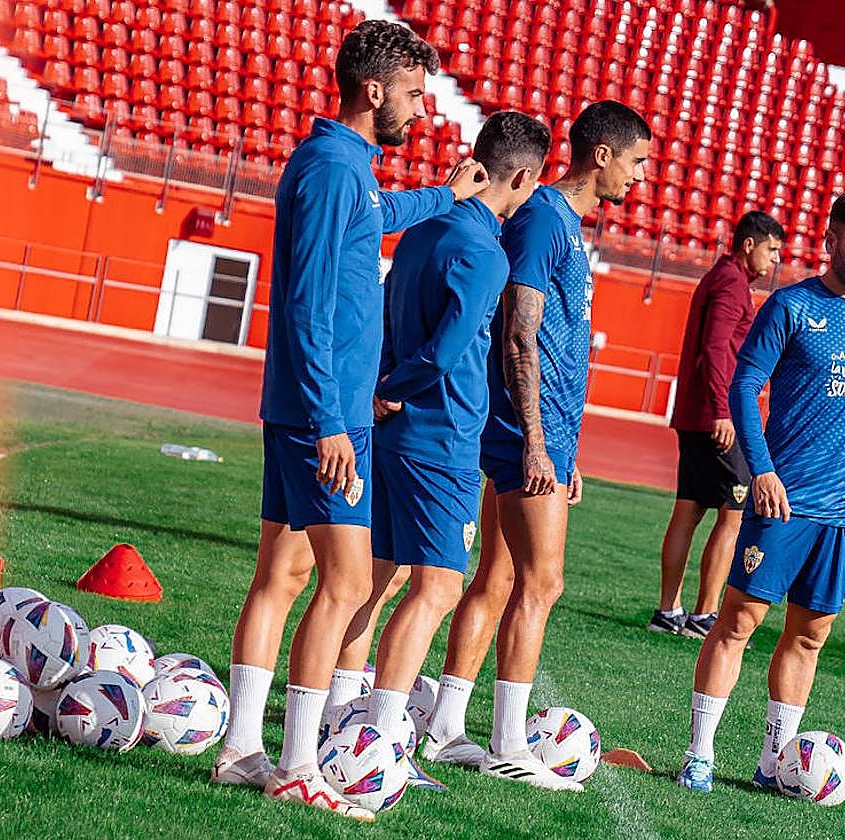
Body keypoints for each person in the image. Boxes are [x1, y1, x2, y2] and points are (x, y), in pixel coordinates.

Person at [210, 20, 488, 823]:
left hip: (313, 407)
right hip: (321, 418)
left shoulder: (346, 165)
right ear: (373, 91)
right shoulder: (334, 167)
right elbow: (301, 305)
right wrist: (333, 421)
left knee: (283, 576)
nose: (419, 110)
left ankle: (239, 751)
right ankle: (298, 761)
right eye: (411, 94)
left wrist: (449, 194)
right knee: (349, 581)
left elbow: (380, 213)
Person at [422, 101, 652, 791]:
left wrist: (564, 447)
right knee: (542, 582)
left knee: (495, 579)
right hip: (526, 432)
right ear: (602, 156)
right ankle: (507, 744)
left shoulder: (561, 224)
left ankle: (443, 728)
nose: (639, 178)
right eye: (636, 162)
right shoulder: (546, 219)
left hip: (542, 433)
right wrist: (538, 443)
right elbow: (519, 334)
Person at [331, 112, 552, 782]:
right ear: (522, 178)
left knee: (378, 578)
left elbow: (388, 309)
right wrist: (396, 387)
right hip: (442, 436)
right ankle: (379, 741)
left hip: (395, 435)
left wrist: (382, 387)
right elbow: (451, 349)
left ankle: (338, 717)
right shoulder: (487, 253)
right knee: (436, 587)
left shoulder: (426, 227)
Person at [676, 192, 845, 793]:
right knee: (739, 622)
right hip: (783, 502)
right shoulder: (791, 307)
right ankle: (699, 754)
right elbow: (744, 385)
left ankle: (775, 763)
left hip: (844, 516)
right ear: (830, 240)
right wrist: (763, 472)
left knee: (809, 634)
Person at [649, 212, 785, 639]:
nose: (775, 260)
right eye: (772, 249)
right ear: (749, 244)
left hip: (695, 414)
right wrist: (722, 411)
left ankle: (667, 611)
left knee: (688, 508)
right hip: (714, 416)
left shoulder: (718, 277)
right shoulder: (732, 283)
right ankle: (704, 615)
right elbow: (715, 349)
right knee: (733, 511)